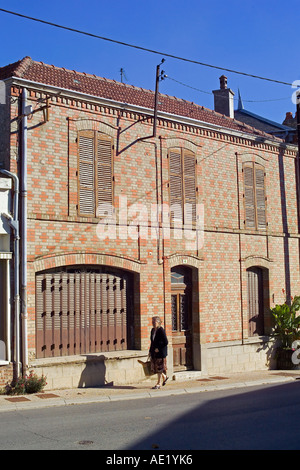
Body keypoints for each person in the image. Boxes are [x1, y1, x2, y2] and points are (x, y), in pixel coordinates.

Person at [149, 316, 169, 389]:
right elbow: (152, 342)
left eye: (155, 322)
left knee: (159, 368)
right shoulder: (152, 330)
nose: (153, 323)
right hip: (154, 352)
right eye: (152, 322)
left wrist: (158, 348)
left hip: (160, 352)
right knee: (156, 368)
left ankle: (159, 383)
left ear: (158, 322)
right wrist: (150, 351)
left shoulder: (161, 330)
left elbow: (165, 342)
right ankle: (165, 377)